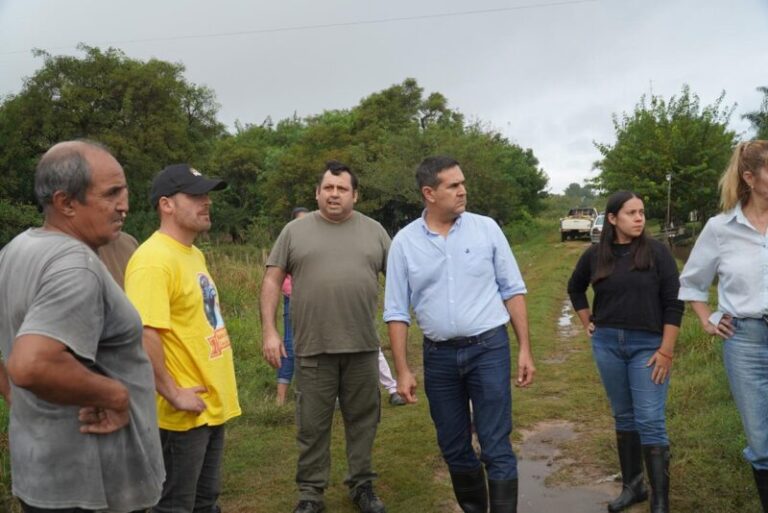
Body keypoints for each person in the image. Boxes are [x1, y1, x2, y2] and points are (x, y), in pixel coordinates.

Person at [0, 140, 164, 512]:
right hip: (95, 487)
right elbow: (32, 363)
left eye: (123, 190)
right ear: (66, 203)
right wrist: (114, 396)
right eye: (111, 194)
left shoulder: (17, 249)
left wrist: (13, 394)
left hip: (42, 476)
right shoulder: (76, 267)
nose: (125, 204)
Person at [384, 156, 535, 513]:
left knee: (496, 443)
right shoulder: (405, 243)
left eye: (462, 183)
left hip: (489, 349)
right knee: (453, 446)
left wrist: (525, 348)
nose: (463, 190)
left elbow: (512, 289)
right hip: (439, 358)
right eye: (453, 185)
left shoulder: (486, 229)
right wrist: (403, 370)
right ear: (429, 193)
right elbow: (395, 311)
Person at [261, 161, 390, 513]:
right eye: (328, 188)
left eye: (342, 189)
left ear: (355, 194)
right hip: (312, 349)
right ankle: (310, 494)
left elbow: (400, 281)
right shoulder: (294, 232)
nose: (334, 194)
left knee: (363, 422)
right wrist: (270, 330)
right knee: (312, 426)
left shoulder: (375, 231)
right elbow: (272, 280)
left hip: (362, 347)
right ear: (318, 193)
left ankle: (362, 486)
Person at [125, 163, 242, 513]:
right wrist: (173, 392)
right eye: (194, 196)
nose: (205, 202)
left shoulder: (193, 254)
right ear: (167, 204)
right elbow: (145, 334)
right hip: (180, 413)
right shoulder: (152, 260)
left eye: (206, 195)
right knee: (175, 506)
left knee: (206, 502)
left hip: (208, 404)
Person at [568, 190, 683, 513]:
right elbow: (575, 288)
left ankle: (660, 501)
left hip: (648, 347)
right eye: (631, 213)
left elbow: (675, 304)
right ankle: (634, 487)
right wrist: (587, 320)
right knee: (624, 416)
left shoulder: (658, 253)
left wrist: (666, 351)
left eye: (642, 212)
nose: (639, 218)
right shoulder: (595, 255)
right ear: (612, 218)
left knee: (650, 419)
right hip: (607, 345)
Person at [678, 140, 768, 512]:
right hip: (745, 343)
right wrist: (707, 319)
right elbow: (692, 282)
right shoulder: (720, 229)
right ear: (750, 177)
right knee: (762, 442)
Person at [276, 207, 309, 405]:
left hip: (317, 302)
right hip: (294, 300)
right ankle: (280, 397)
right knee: (290, 346)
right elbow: (279, 278)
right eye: (299, 221)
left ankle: (312, 392)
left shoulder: (317, 243)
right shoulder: (286, 245)